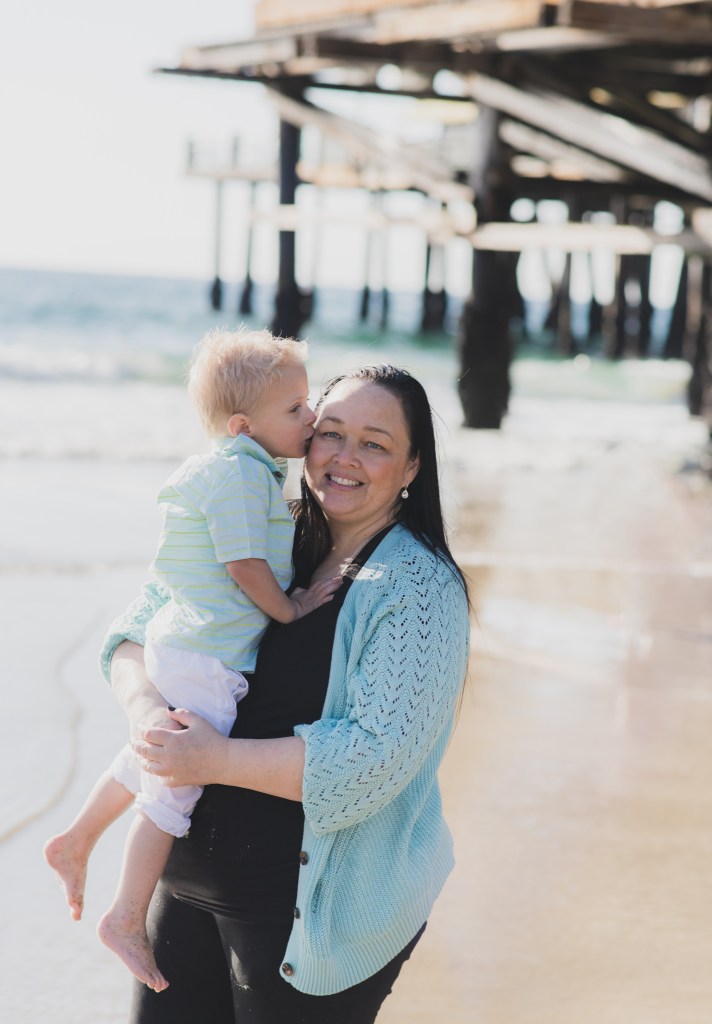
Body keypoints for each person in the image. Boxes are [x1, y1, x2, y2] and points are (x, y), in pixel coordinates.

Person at [99, 364, 471, 1023]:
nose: (343, 458)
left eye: (374, 443)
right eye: (331, 433)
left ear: (413, 467)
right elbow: (139, 625)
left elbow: (376, 757)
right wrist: (146, 710)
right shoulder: (267, 528)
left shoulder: (416, 586)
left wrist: (210, 760)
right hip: (182, 893)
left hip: (310, 919)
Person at [44, 328, 339, 993]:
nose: (311, 417)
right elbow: (242, 562)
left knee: (145, 757)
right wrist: (289, 608)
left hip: (188, 645)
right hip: (206, 654)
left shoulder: (239, 466)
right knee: (172, 792)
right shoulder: (238, 470)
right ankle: (124, 915)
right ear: (243, 424)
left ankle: (77, 840)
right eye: (294, 409)